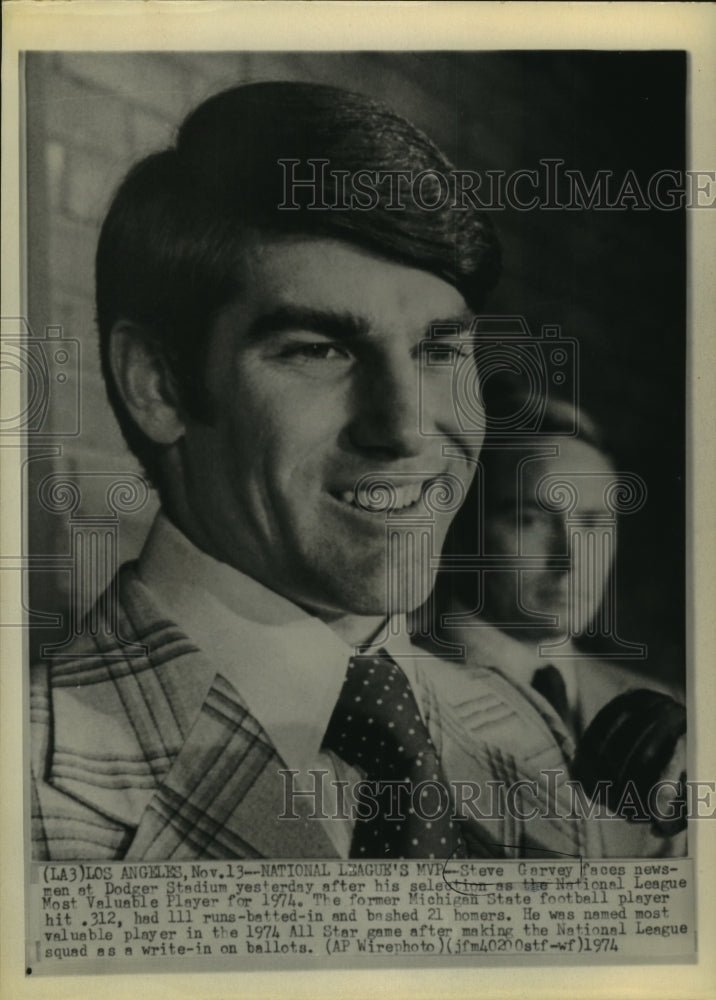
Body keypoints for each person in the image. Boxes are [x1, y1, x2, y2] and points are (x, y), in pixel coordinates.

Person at [30, 81, 674, 862]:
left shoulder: (529, 739)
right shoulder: (26, 787)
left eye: (439, 351)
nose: (406, 429)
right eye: (319, 350)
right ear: (159, 385)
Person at [431, 390, 686, 853]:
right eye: (530, 520)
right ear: (459, 529)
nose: (570, 559)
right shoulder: (392, 696)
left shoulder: (674, 707)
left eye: (592, 522)